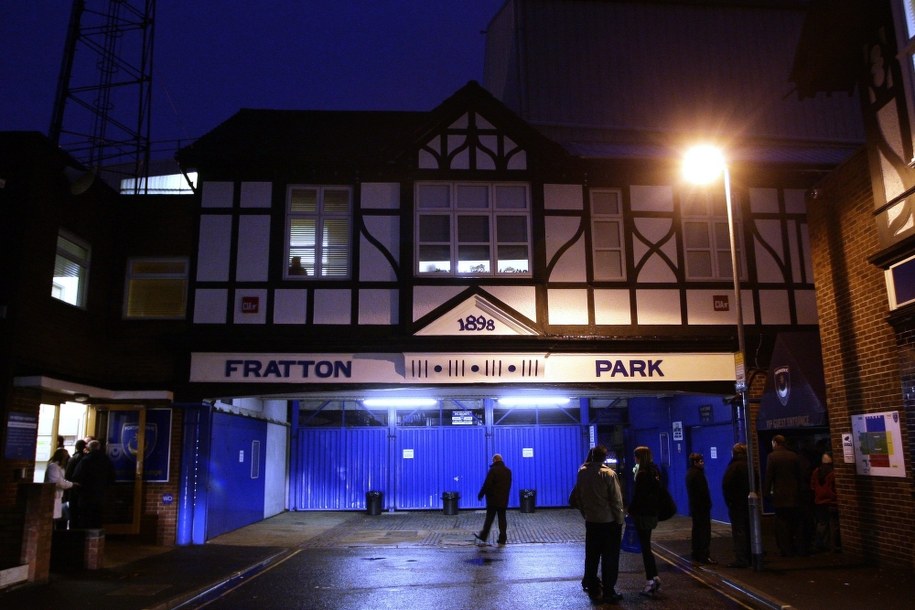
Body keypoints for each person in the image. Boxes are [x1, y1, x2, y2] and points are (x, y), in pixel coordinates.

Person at [569, 445, 625, 603]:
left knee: (592, 556)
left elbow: (579, 496)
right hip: (609, 522)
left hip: (591, 521)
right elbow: (616, 501)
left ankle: (592, 585)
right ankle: (609, 591)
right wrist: (620, 520)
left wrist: (585, 513)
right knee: (610, 558)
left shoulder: (582, 472)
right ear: (604, 457)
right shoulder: (609, 474)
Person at [627, 445, 662, 597]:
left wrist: (630, 511)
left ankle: (650, 581)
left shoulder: (642, 474)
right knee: (647, 546)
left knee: (645, 548)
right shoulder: (655, 471)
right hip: (652, 513)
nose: (634, 458)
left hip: (643, 515)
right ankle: (654, 577)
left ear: (639, 457)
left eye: (635, 456)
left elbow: (638, 497)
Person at [763, 434, 805, 557]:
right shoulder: (794, 456)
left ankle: (786, 549)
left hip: (780, 495)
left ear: (775, 443)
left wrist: (766, 493)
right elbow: (800, 476)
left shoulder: (772, 457)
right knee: (795, 522)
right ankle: (798, 547)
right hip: (794, 495)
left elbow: (769, 476)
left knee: (782, 523)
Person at [71, 439, 116, 529]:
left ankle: (85, 534)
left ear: (89, 448)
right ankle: (96, 534)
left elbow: (77, 476)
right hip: (100, 492)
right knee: (97, 516)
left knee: (85, 516)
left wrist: (78, 488)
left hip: (86, 493)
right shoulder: (106, 460)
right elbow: (112, 476)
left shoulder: (85, 460)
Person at [721, 443, 752, 567]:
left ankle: (741, 559)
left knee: (739, 531)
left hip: (736, 504)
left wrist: (729, 501)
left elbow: (726, 485)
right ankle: (751, 556)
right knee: (749, 529)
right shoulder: (749, 465)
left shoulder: (733, 467)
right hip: (748, 504)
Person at [475, 453, 512, 545]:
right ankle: (502, 539)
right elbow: (508, 485)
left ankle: (483, 536)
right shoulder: (508, 471)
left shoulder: (493, 470)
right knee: (502, 519)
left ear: (495, 460)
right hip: (503, 499)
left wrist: (481, 494)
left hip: (493, 500)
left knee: (489, 519)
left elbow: (487, 484)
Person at [686, 452, 716, 564]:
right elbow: (702, 492)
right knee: (704, 531)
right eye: (701, 461)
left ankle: (696, 553)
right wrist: (707, 504)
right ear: (695, 462)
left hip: (695, 507)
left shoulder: (690, 473)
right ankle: (704, 555)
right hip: (701, 507)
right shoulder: (698, 475)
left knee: (697, 530)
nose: (703, 463)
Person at [811, 453, 841, 552]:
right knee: (833, 525)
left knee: (822, 524)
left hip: (819, 501)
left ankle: (822, 544)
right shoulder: (832, 473)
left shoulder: (816, 472)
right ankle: (833, 545)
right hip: (831, 501)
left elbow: (812, 486)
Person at [44, 447, 75, 529]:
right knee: (52, 518)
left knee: (56, 518)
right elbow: (57, 482)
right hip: (53, 496)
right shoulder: (53, 467)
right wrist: (71, 484)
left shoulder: (59, 467)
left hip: (57, 496)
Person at [64, 438, 88, 528]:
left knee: (72, 511)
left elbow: (68, 474)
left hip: (72, 487)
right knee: (77, 511)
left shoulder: (73, 458)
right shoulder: (82, 458)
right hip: (77, 487)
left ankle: (72, 528)